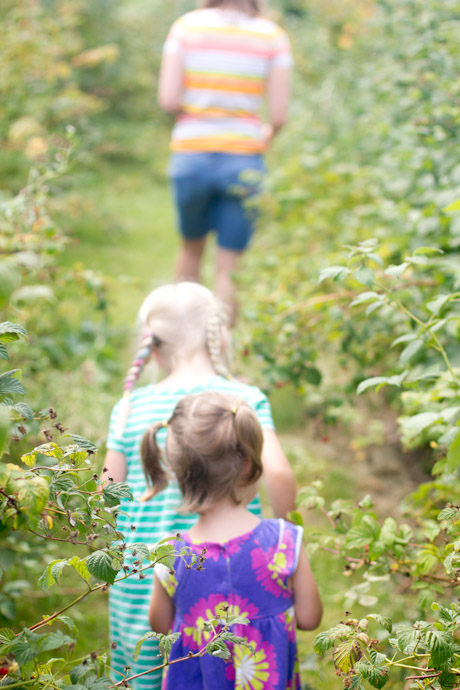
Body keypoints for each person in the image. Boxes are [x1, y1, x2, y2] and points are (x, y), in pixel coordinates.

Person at [103, 282, 296, 690]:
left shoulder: (131, 408)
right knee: (226, 669)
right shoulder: (241, 400)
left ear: (152, 347)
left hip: (140, 581)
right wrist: (284, 533)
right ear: (220, 336)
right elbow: (278, 474)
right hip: (223, 577)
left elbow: (108, 494)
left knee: (143, 674)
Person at [147, 392, 322, 690]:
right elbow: (309, 617)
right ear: (248, 464)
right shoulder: (283, 541)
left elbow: (160, 624)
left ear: (180, 470)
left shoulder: (171, 553)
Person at [158, 0, 292, 316]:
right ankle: (221, 355)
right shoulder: (272, 36)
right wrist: (267, 134)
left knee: (191, 250)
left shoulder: (186, 27)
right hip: (243, 159)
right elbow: (279, 114)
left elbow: (168, 99)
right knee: (229, 265)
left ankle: (182, 348)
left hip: (191, 154)